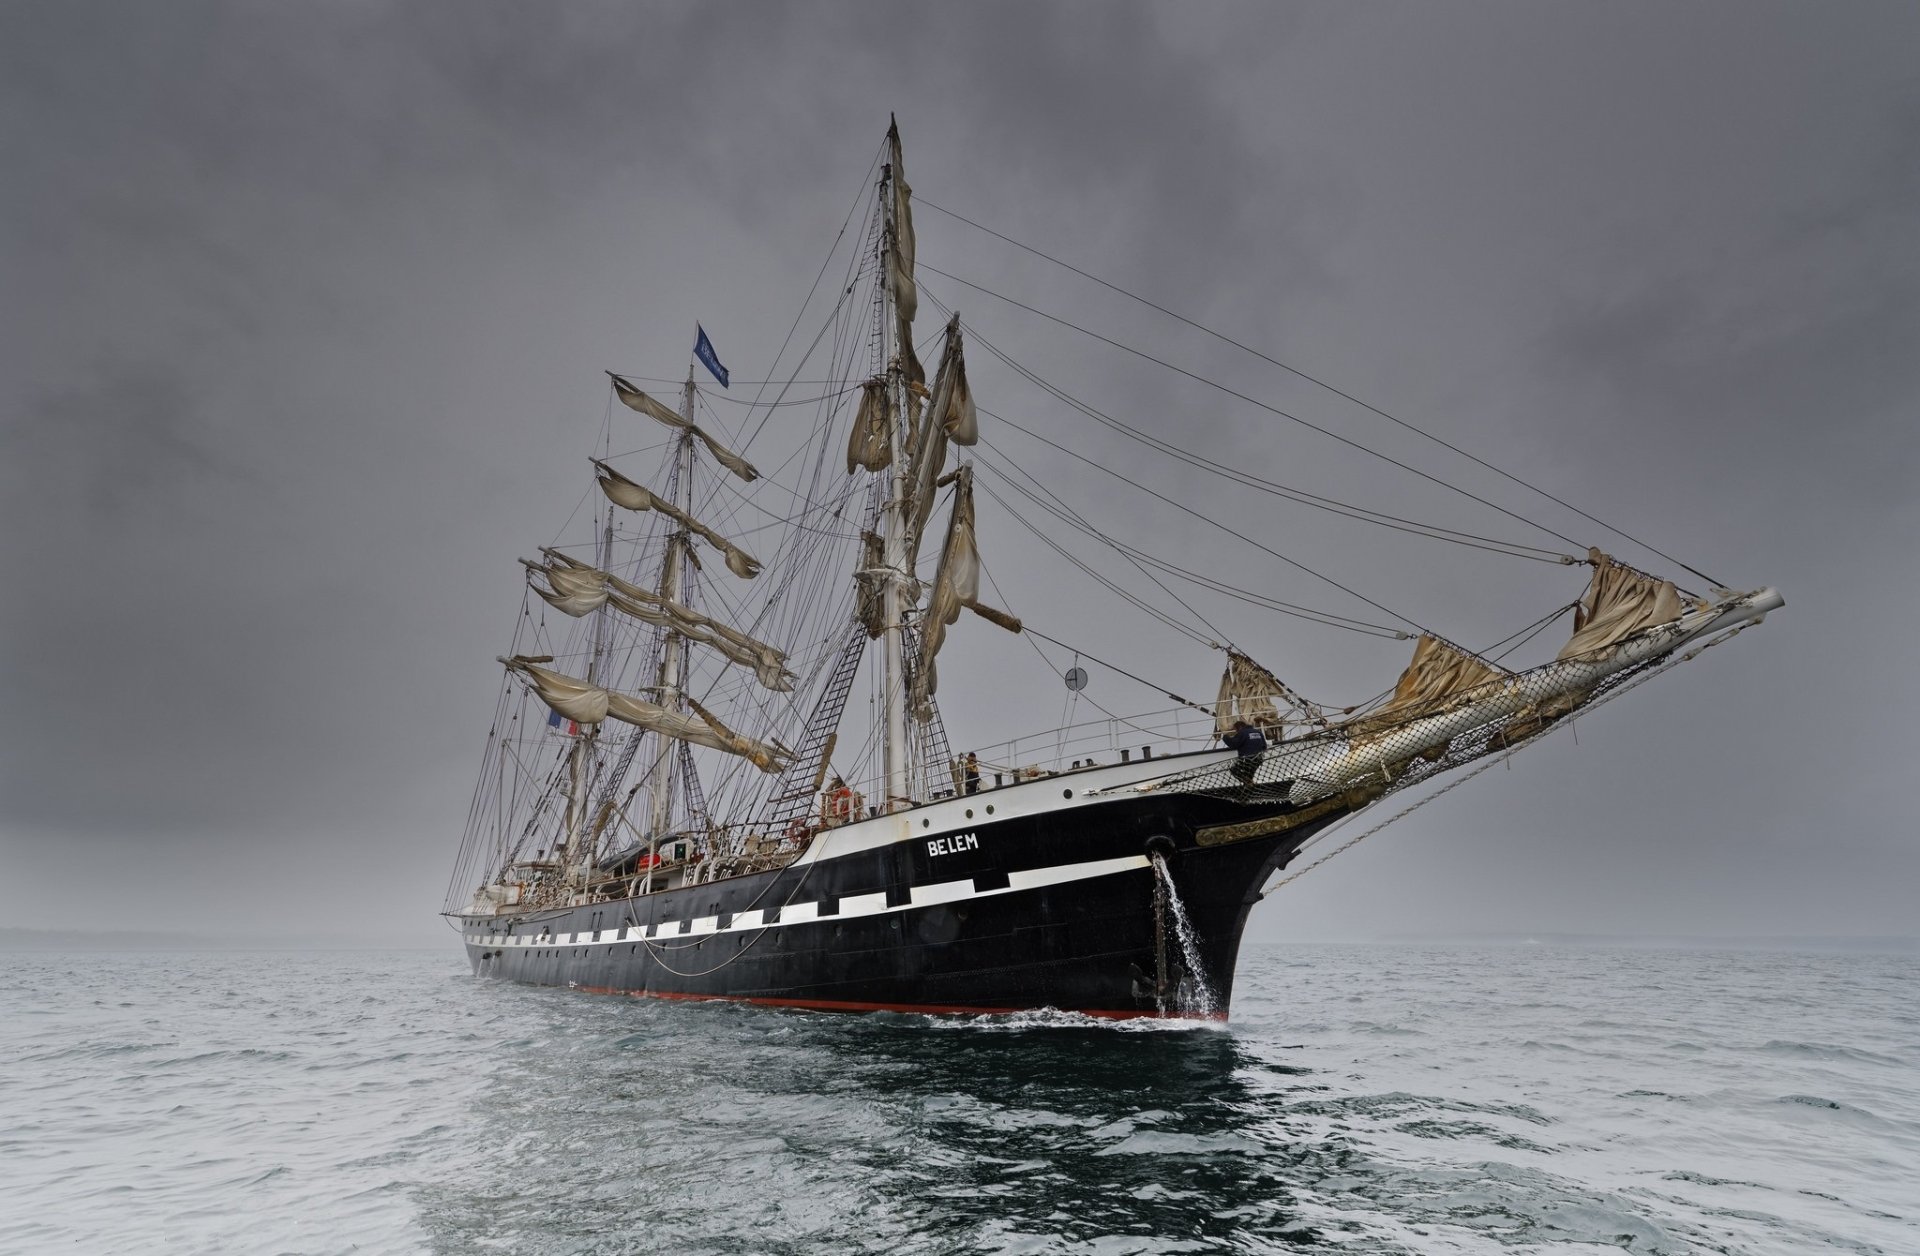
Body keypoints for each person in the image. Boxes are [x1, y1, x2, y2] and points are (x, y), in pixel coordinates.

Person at [1222, 719, 1266, 786]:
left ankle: (1248, 782)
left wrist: (1225, 737)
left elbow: (1233, 745)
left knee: (1233, 769)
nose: (1236, 732)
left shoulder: (1242, 733)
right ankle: (1249, 785)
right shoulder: (1258, 732)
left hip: (1247, 760)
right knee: (1249, 774)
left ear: (1239, 727)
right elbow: (1264, 746)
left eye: (1236, 730)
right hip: (1258, 759)